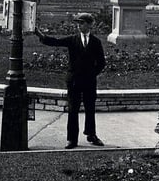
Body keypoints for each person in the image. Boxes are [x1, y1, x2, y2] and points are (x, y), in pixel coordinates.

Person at [34, 12, 106, 149]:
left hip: (89, 82)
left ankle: (91, 135)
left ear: (90, 25)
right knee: (73, 109)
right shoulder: (72, 39)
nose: (79, 26)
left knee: (90, 108)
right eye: (78, 23)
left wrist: (92, 74)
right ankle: (72, 139)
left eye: (82, 23)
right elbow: (56, 41)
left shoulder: (96, 42)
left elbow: (101, 62)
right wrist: (40, 35)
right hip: (74, 81)